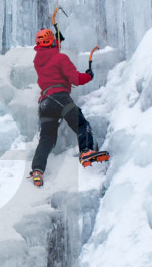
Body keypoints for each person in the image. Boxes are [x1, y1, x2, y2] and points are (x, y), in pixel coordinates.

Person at [29, 26, 109, 186]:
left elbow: (48, 55)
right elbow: (75, 79)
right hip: (60, 98)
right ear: (51, 42)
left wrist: (55, 41)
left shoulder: (38, 62)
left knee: (46, 139)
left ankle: (37, 170)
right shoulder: (60, 58)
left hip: (45, 104)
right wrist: (88, 76)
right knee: (80, 123)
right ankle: (86, 151)